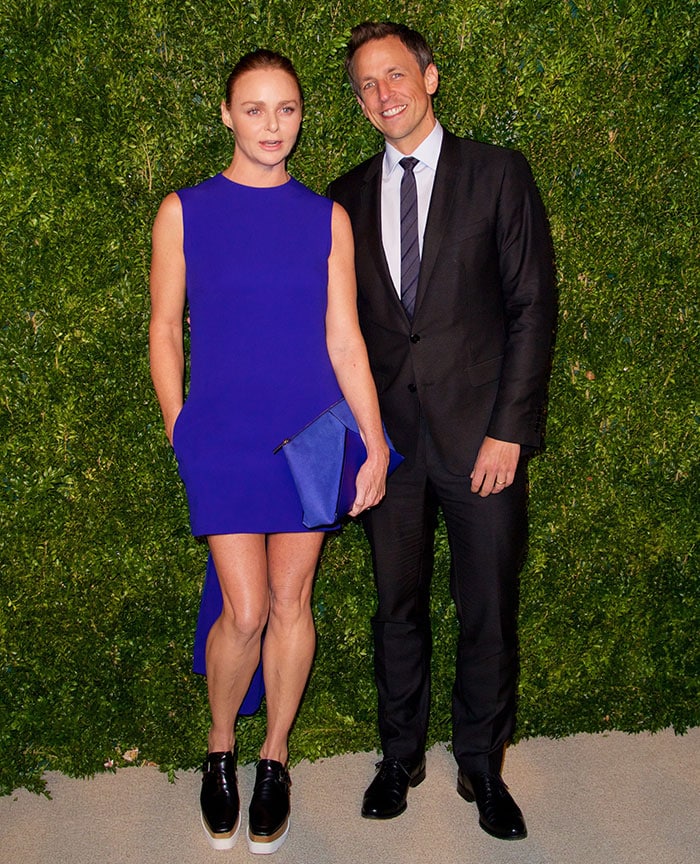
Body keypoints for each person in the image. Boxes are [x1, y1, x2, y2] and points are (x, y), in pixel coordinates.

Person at [149, 49, 389, 854]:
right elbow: (162, 329)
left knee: (292, 604)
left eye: (285, 109)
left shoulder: (325, 218)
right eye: (254, 109)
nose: (271, 126)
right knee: (243, 611)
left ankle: (274, 757)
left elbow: (345, 338)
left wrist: (376, 441)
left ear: (300, 116)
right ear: (226, 114)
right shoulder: (184, 210)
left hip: (311, 433)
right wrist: (181, 425)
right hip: (222, 435)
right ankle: (220, 748)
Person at [327, 22, 556, 841]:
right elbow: (340, 327)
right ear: (357, 100)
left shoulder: (498, 174)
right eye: (365, 84)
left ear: (429, 77)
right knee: (397, 606)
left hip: (482, 443)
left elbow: (533, 308)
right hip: (388, 448)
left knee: (487, 606)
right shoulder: (343, 197)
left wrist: (510, 432)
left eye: (395, 75)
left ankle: (481, 766)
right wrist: (359, 441)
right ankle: (399, 757)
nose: (383, 93)